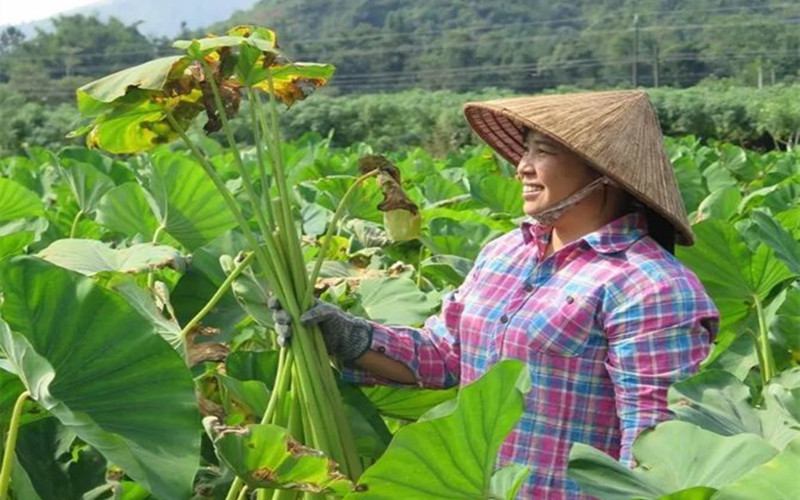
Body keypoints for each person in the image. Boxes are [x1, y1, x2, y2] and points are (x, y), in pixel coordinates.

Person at [275, 90, 720, 499]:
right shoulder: (506, 252)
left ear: (604, 171)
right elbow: (445, 357)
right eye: (525, 149)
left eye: (542, 151)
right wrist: (340, 334)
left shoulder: (651, 285)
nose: (522, 166)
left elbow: (654, 446)